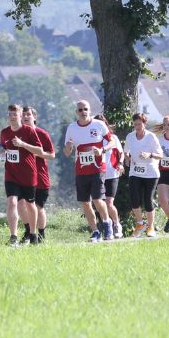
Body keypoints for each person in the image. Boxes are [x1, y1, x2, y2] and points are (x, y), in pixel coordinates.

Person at [63, 100, 115, 242]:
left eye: (85, 109)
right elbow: (66, 152)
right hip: (81, 170)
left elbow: (112, 142)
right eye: (80, 110)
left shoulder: (99, 125)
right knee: (85, 202)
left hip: (98, 168)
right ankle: (95, 231)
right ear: (76, 112)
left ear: (90, 110)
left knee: (97, 199)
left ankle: (107, 223)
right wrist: (68, 147)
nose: (83, 112)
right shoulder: (72, 128)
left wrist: (102, 150)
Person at [0, 104, 42, 246]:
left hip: (28, 174)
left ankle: (33, 234)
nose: (12, 117)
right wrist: (0, 149)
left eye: (14, 114)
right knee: (12, 202)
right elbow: (2, 146)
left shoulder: (28, 131)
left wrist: (23, 144)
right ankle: (13, 236)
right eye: (9, 114)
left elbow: (39, 150)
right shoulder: (4, 132)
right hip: (11, 174)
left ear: (20, 116)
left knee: (30, 204)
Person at [124, 112, 164, 238]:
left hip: (150, 172)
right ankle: (140, 224)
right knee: (134, 199)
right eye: (135, 124)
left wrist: (149, 155)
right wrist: (127, 158)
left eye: (139, 124)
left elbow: (160, 155)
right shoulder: (130, 136)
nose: (137, 127)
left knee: (148, 199)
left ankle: (151, 227)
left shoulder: (151, 137)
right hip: (135, 171)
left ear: (144, 124)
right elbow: (126, 152)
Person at [21, 107, 55, 242]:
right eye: (23, 115)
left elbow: (52, 155)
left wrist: (36, 153)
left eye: (28, 114)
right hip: (22, 177)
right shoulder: (18, 134)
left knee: (38, 207)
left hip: (40, 177)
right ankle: (28, 231)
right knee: (21, 205)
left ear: (34, 117)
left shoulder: (42, 134)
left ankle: (41, 235)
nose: (25, 117)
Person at [96, 114, 125, 239]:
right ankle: (107, 228)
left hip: (112, 173)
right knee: (100, 203)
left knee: (109, 203)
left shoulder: (113, 138)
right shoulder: (93, 139)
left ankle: (117, 224)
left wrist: (120, 163)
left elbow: (121, 153)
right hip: (98, 174)